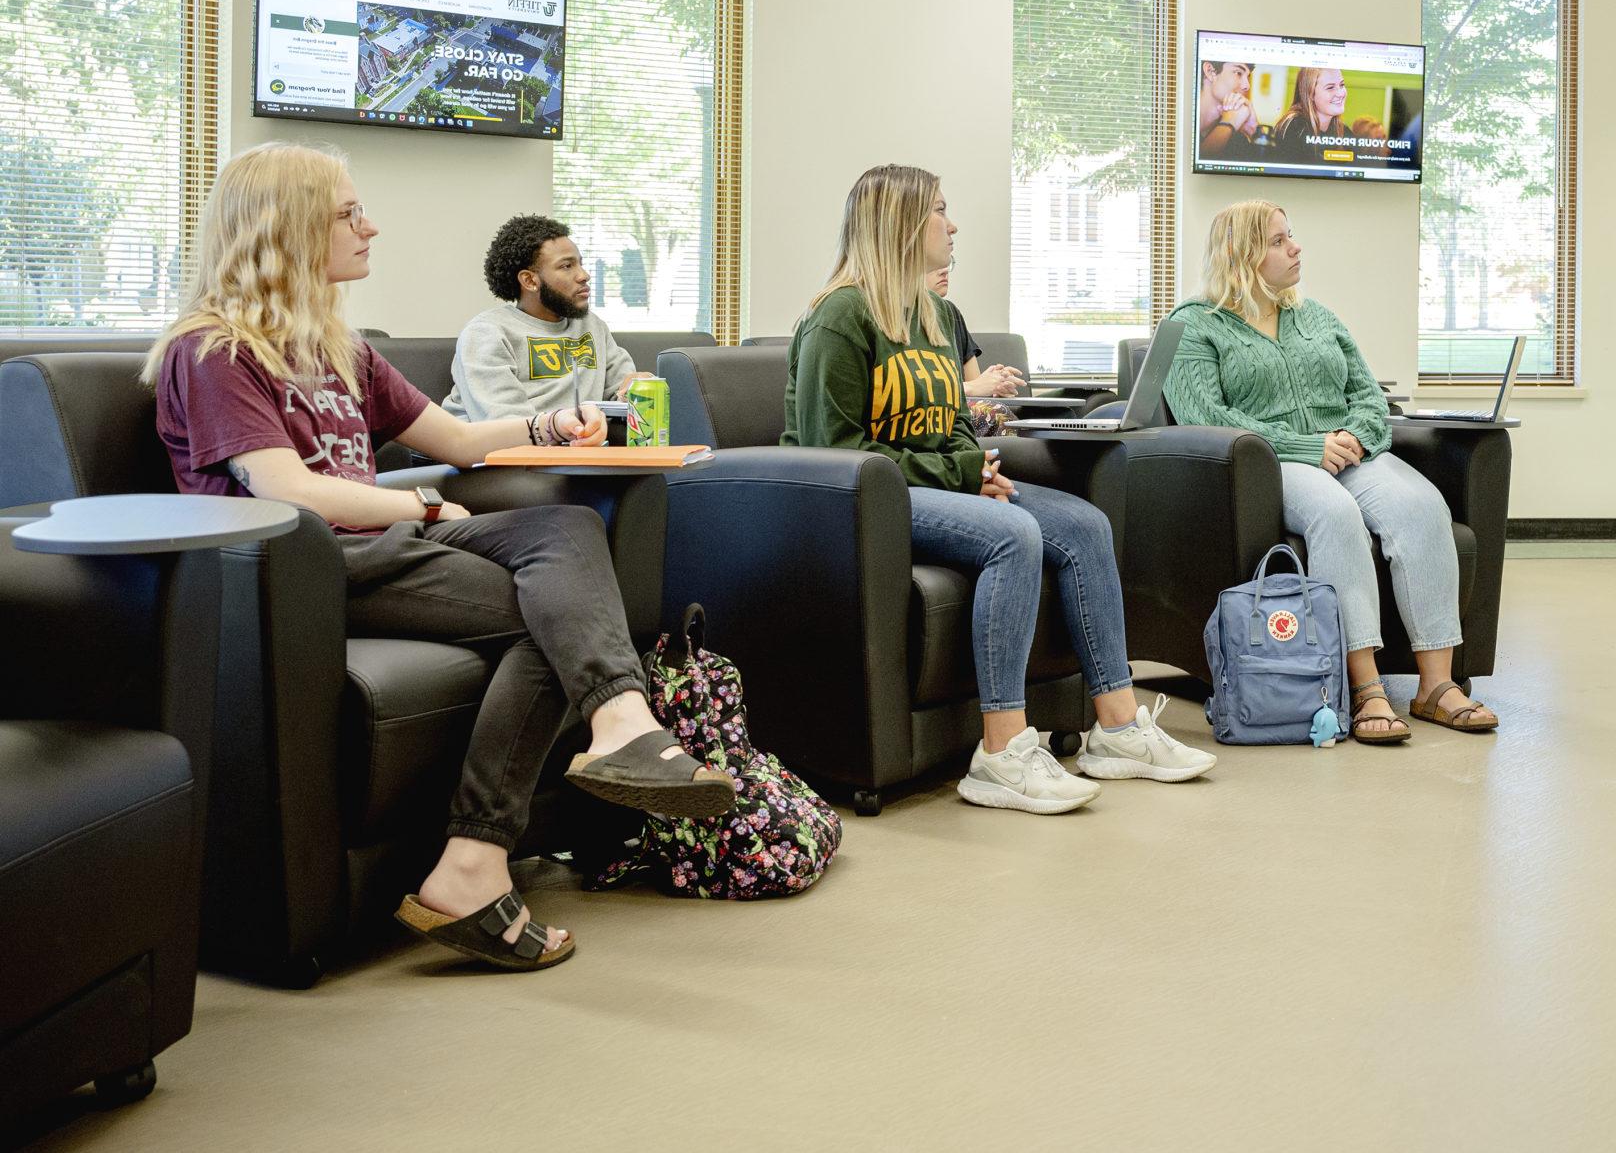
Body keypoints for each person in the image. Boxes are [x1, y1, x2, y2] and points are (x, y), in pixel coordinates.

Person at [146, 144, 735, 974]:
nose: (369, 224)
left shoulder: (336, 347)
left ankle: (606, 738)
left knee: (567, 536)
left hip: (389, 545)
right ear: (285, 228)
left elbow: (454, 436)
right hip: (304, 571)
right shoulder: (212, 351)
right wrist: (418, 504)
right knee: (556, 616)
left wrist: (553, 425)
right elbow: (287, 489)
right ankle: (481, 852)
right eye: (349, 213)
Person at [781, 164, 1213, 811]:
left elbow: (953, 427)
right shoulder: (839, 317)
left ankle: (1119, 728)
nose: (952, 225)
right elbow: (835, 455)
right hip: (865, 504)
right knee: (1014, 535)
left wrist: (973, 469)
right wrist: (960, 475)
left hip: (935, 487)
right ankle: (1002, 752)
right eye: (939, 211)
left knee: (1082, 524)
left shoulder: (932, 314)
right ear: (900, 224)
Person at [1162, 201, 1495, 743]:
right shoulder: (1194, 326)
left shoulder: (1315, 316)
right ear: (1240, 254)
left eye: (1291, 236)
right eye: (1277, 240)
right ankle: (1365, 689)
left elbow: (1367, 393)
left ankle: (1437, 687)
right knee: (1337, 516)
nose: (1295, 247)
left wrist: (1358, 437)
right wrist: (1306, 446)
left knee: (1422, 505)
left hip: (1349, 452)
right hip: (1274, 464)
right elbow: (1206, 417)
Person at [443, 213, 637, 422]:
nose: (584, 275)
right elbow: (503, 421)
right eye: (566, 266)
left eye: (580, 264)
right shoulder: (486, 333)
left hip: (573, 445)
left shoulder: (591, 326)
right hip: (496, 449)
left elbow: (620, 393)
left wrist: (637, 390)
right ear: (529, 280)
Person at [931, 261, 1024, 399]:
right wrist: (973, 387)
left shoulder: (950, 312)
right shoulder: (894, 322)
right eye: (932, 263)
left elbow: (974, 391)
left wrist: (994, 385)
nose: (944, 271)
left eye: (947, 263)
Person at [1268, 66, 1352, 165]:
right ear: (1310, 93)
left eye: (1342, 85)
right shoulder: (1294, 126)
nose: (1340, 93)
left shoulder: (1344, 131)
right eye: (1330, 87)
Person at [1198, 58, 1260, 160]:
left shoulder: (1237, 140)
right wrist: (1229, 123)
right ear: (1210, 71)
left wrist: (1253, 130)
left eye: (1247, 77)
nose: (1247, 86)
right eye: (1238, 73)